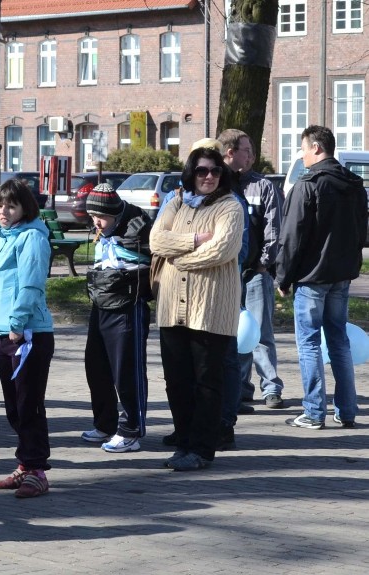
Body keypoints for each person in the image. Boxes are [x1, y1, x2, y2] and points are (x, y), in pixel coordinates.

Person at [150, 145, 244, 471]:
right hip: (171, 307)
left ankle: (203, 450)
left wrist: (177, 258)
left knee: (207, 382)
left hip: (210, 309)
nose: (208, 177)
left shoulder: (229, 207)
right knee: (177, 381)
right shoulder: (176, 202)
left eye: (215, 171)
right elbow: (155, 241)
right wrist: (192, 241)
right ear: (192, 172)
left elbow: (221, 250)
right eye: (202, 170)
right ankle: (184, 442)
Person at [277, 125, 367, 430]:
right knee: (339, 341)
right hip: (341, 275)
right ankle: (347, 410)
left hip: (312, 277)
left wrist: (283, 277)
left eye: (302, 149)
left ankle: (314, 412)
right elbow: (361, 232)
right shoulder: (354, 184)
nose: (301, 156)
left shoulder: (308, 184)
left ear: (316, 147)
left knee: (310, 343)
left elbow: (292, 237)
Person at [0, 178, 54, 498]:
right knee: (13, 406)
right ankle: (25, 465)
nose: (4, 211)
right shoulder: (0, 239)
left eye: (11, 205)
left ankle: (37, 470)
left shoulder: (32, 238)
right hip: (0, 335)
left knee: (28, 403)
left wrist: (18, 323)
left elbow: (31, 285)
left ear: (25, 207)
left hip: (27, 334)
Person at [79, 183, 152, 453]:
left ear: (115, 213)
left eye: (102, 217)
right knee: (96, 366)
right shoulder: (101, 227)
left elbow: (153, 261)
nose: (97, 222)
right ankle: (105, 423)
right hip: (101, 303)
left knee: (127, 371)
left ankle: (131, 429)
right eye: (92, 216)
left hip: (127, 305)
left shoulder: (138, 226)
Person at [218, 129, 286, 410]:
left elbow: (274, 229)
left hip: (255, 272)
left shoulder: (264, 186)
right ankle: (241, 387)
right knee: (235, 333)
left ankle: (270, 387)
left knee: (260, 332)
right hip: (227, 274)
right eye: (247, 150)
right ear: (231, 152)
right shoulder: (221, 186)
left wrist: (263, 264)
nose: (252, 156)